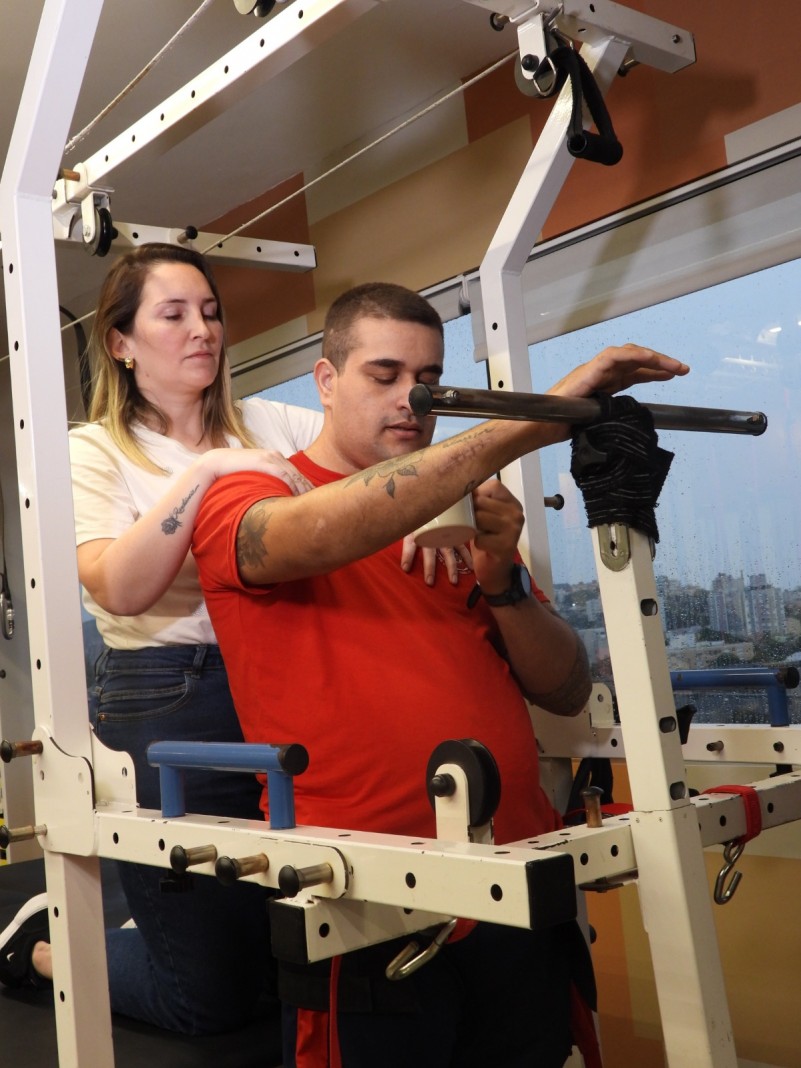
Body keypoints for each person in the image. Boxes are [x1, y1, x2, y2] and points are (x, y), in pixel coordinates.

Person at [192, 281, 690, 1066]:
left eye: (427, 381)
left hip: (513, 878)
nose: (410, 400)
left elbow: (560, 689)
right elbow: (308, 537)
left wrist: (501, 581)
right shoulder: (255, 492)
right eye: (383, 375)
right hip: (366, 896)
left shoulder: (460, 518)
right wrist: (531, 419)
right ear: (325, 381)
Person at [0, 242, 326, 1036]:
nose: (202, 331)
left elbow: (375, 468)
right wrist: (205, 475)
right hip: (165, 691)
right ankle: (43, 946)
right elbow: (120, 585)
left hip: (281, 680)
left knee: (291, 958)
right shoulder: (90, 450)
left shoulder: (272, 423)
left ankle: (152, 929)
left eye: (210, 313)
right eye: (173, 314)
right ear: (121, 342)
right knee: (208, 999)